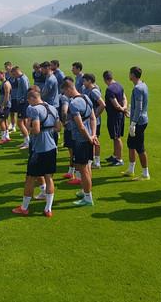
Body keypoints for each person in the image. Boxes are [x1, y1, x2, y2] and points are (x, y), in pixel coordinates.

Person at [12, 88, 60, 217]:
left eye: (29, 101)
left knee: (30, 178)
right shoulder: (53, 108)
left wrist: (29, 127)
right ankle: (48, 209)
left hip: (39, 148)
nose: (29, 103)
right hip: (52, 147)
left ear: (32, 98)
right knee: (49, 177)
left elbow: (37, 130)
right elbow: (58, 127)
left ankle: (24, 207)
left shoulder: (34, 109)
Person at [61, 79, 98, 206]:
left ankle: (88, 198)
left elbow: (81, 126)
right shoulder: (86, 97)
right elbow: (93, 118)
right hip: (89, 137)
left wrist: (88, 138)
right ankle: (84, 191)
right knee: (87, 166)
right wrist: (93, 135)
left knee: (83, 169)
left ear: (68, 89)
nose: (65, 95)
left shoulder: (74, 103)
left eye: (65, 92)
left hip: (80, 140)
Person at [122, 66, 150, 181]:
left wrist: (133, 123)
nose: (129, 75)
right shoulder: (143, 85)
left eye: (130, 73)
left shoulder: (138, 88)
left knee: (140, 148)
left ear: (133, 75)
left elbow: (139, 107)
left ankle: (145, 174)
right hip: (139, 120)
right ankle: (131, 169)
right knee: (131, 144)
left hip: (139, 122)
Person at [103, 70, 127, 166]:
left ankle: (119, 159)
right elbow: (124, 98)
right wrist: (124, 108)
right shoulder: (119, 85)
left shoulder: (109, 90)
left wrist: (121, 109)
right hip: (120, 115)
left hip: (114, 116)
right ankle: (115, 155)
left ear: (105, 79)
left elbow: (115, 104)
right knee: (115, 137)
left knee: (117, 137)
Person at [82, 73, 106, 168]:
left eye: (84, 81)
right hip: (89, 121)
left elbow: (102, 104)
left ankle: (97, 161)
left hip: (94, 122)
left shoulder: (94, 91)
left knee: (95, 139)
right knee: (90, 140)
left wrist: (95, 116)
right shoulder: (87, 89)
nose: (83, 83)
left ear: (89, 81)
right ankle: (91, 160)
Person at [12, 66, 30, 149]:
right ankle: (26, 141)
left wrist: (22, 100)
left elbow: (26, 91)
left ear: (16, 71)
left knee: (19, 122)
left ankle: (27, 142)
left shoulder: (23, 79)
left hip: (23, 104)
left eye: (14, 74)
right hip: (22, 103)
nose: (14, 76)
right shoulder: (21, 78)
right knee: (23, 122)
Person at [0, 70, 12, 144]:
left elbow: (7, 95)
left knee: (1, 120)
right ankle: (7, 137)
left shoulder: (6, 84)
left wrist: (3, 105)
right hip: (2, 104)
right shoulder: (3, 83)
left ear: (3, 75)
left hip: (5, 105)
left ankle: (3, 138)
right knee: (5, 120)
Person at [5, 61, 17, 132]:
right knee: (11, 113)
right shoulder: (8, 78)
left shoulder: (17, 78)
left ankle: (25, 128)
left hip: (17, 98)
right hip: (11, 97)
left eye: (7, 67)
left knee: (21, 115)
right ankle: (13, 125)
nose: (6, 68)